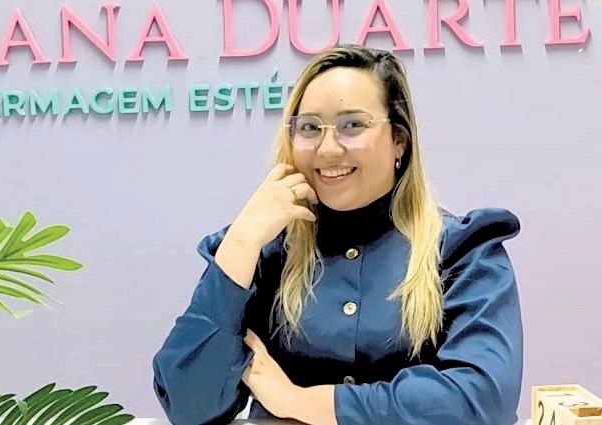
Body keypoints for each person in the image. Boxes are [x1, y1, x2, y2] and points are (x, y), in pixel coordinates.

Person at [150, 44, 523, 425]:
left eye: (353, 125)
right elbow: (188, 407)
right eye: (310, 128)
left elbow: (483, 400)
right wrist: (242, 241)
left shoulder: (463, 252)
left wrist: (298, 402)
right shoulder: (263, 253)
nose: (327, 149)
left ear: (399, 139)